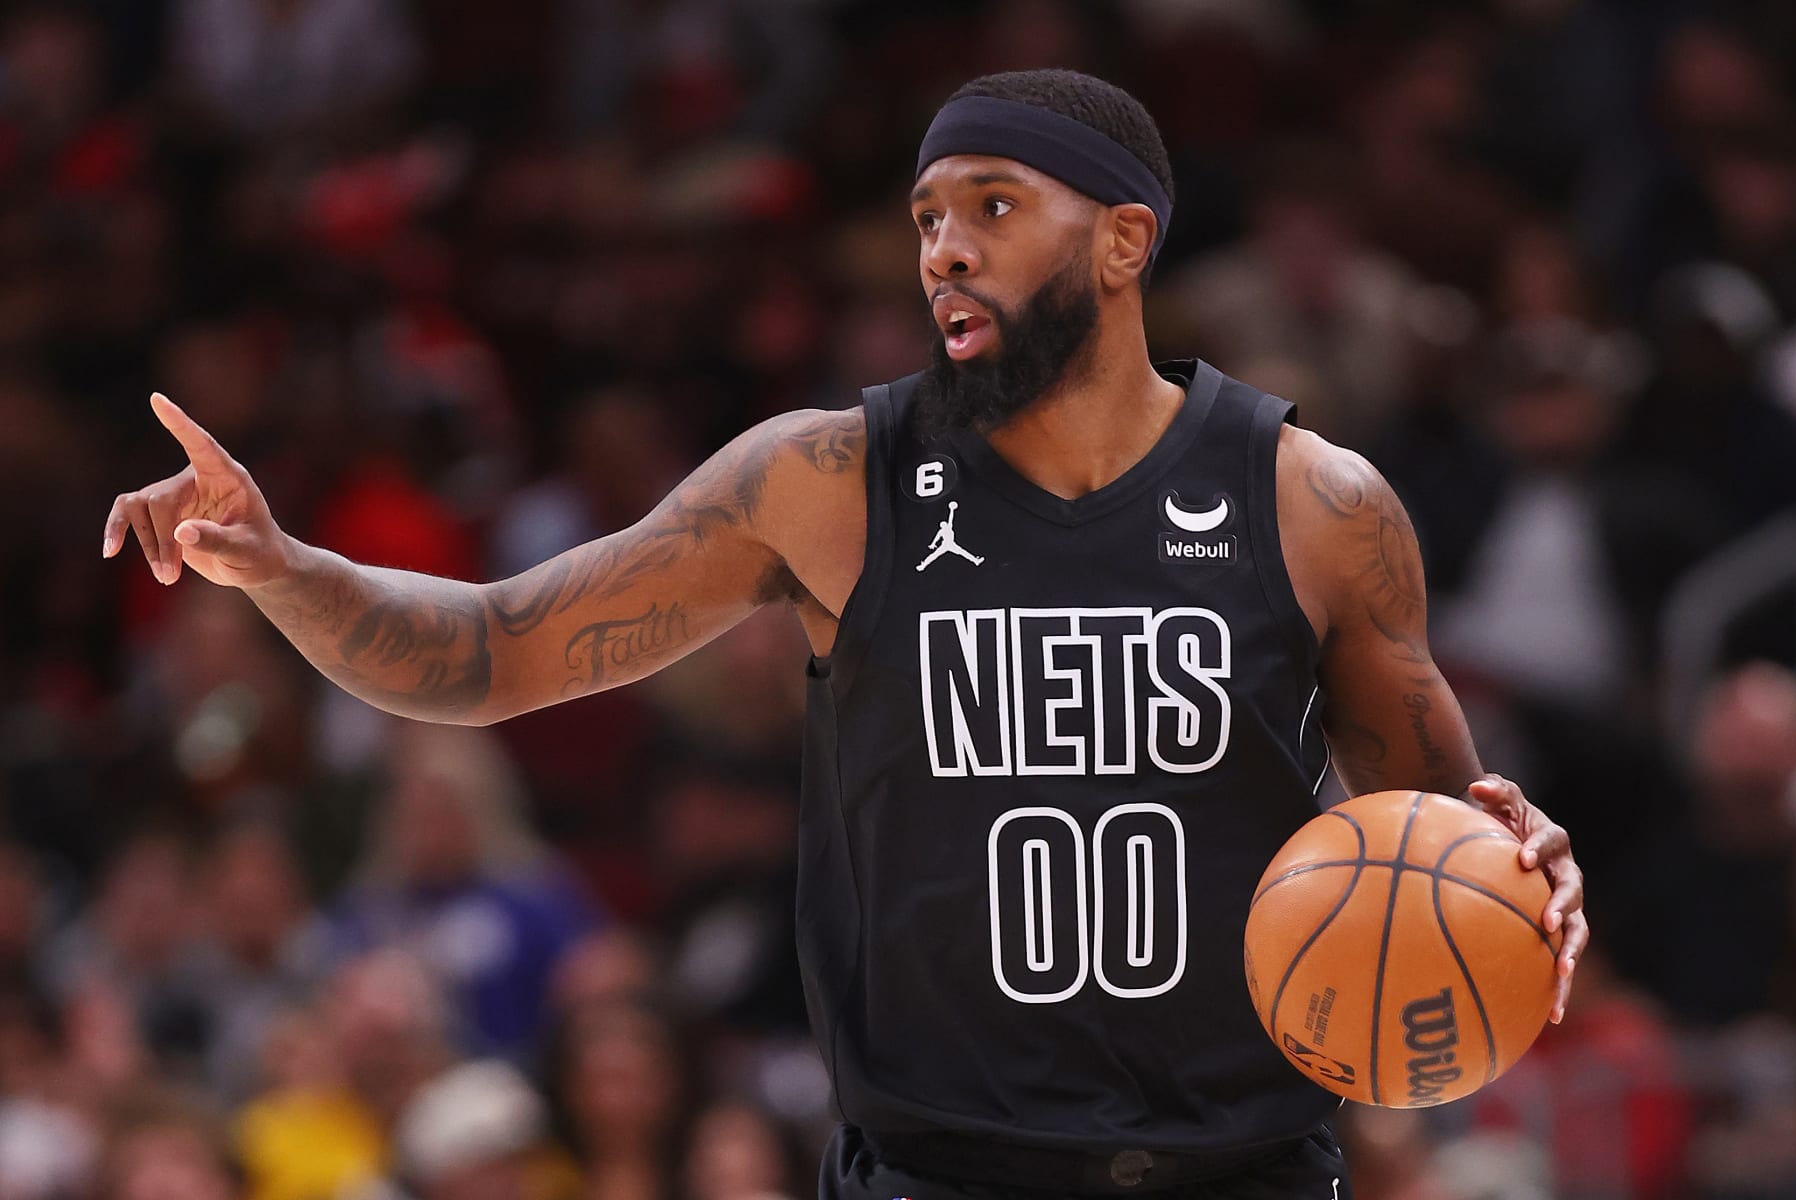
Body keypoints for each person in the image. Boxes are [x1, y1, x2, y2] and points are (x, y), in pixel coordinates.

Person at [103, 68, 1587, 1197]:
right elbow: (492, 652)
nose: (944, 249)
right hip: (937, 1168)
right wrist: (283, 565)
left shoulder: (1315, 503)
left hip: (1235, 1166)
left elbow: (1445, 837)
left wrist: (1527, 875)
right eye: (928, 218)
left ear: (1125, 241)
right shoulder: (827, 483)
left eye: (995, 208)